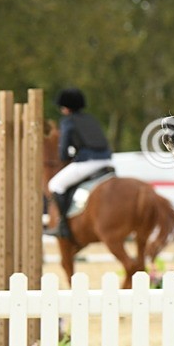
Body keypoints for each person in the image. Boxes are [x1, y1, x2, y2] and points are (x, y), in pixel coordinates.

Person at [46, 88, 113, 238]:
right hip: (107, 160)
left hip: (88, 162)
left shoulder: (68, 121)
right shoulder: (90, 119)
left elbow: (64, 149)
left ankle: (62, 225)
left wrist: (64, 156)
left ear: (66, 107)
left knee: (55, 184)